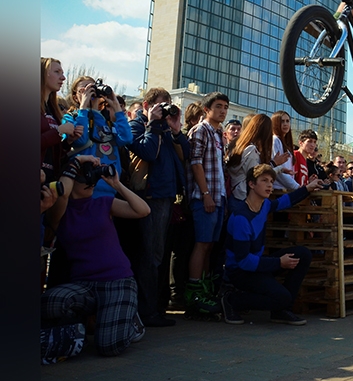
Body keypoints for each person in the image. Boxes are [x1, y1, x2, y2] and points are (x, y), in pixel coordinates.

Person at [41, 155, 150, 357]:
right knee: (50, 302)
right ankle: (100, 317)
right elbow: (63, 195)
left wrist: (116, 184)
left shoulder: (103, 204)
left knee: (109, 346)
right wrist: (77, 161)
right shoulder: (59, 213)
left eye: (93, 178)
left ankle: (130, 320)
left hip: (117, 280)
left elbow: (143, 210)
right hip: (84, 284)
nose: (91, 182)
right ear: (70, 182)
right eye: (84, 179)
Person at [221, 164, 324, 326]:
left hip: (257, 264)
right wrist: (278, 263)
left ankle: (282, 310)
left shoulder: (265, 205)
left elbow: (285, 201)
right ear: (251, 184)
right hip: (240, 272)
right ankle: (232, 300)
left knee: (303, 254)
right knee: (282, 296)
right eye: (264, 181)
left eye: (271, 181)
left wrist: (307, 188)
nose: (269, 185)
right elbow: (243, 262)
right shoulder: (241, 218)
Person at [127, 87, 190, 328]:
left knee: (157, 255)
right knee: (148, 256)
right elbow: (146, 152)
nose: (165, 109)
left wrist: (176, 131)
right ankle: (146, 312)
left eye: (167, 105)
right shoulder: (137, 125)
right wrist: (153, 123)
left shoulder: (165, 129)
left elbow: (185, 154)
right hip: (148, 196)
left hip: (165, 197)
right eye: (161, 105)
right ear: (147, 105)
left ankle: (153, 308)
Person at [184, 92, 230, 317]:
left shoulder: (219, 134)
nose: (223, 111)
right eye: (218, 106)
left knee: (210, 246)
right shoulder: (200, 130)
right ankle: (193, 292)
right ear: (206, 109)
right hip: (204, 196)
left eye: (225, 107)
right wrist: (205, 194)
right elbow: (195, 163)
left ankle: (204, 290)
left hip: (219, 196)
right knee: (201, 244)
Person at [270, 111, 299, 191]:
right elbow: (278, 169)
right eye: (282, 121)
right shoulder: (275, 140)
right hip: (278, 189)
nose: (285, 124)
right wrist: (296, 186)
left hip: (286, 189)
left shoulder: (285, 143)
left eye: (287, 121)